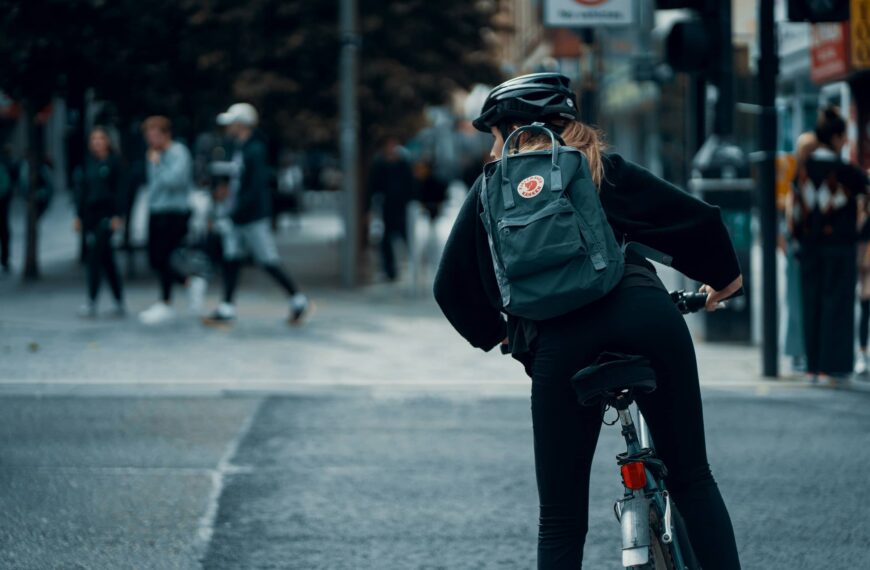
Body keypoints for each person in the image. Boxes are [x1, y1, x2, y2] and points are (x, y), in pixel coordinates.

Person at [434, 73, 742, 569]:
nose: (493, 150)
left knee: (560, 517)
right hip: (648, 318)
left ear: (511, 129)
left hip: (561, 344)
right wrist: (723, 282)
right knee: (691, 478)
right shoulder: (600, 168)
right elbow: (698, 220)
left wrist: (508, 336)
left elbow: (449, 288)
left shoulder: (492, 188)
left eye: (494, 136)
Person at [203, 103, 311, 326]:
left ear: (242, 123)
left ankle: (298, 299)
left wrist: (234, 211)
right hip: (236, 216)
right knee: (231, 259)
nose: (229, 127)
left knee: (267, 260)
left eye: (232, 123)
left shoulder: (255, 150)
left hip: (251, 217)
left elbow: (254, 187)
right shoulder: (237, 148)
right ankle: (227, 307)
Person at [791, 106, 870, 382]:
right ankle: (832, 365)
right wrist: (861, 229)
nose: (845, 142)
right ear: (835, 138)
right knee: (836, 304)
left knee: (811, 303)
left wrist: (802, 237)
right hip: (839, 247)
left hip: (810, 249)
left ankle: (813, 365)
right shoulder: (846, 172)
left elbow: (796, 214)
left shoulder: (802, 171)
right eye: (843, 137)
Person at [138, 116, 206, 325]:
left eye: (155, 135)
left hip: (175, 212)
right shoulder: (154, 154)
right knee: (154, 258)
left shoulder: (178, 153)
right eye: (148, 136)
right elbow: (153, 184)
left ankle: (169, 299)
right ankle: (186, 285)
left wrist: (158, 163)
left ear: (166, 134)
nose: (151, 140)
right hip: (157, 210)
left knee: (167, 257)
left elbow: (174, 181)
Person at [73, 127, 126, 317]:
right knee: (107, 259)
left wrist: (118, 215)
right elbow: (81, 192)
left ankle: (92, 300)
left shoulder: (114, 163)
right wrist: (78, 216)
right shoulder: (88, 164)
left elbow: (120, 190)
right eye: (94, 139)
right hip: (90, 216)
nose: (97, 142)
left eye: (100, 138)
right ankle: (118, 299)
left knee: (95, 256)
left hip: (107, 215)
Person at [782, 132, 817, 373]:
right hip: (801, 248)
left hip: (796, 247)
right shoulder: (802, 178)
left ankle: (798, 352)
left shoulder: (797, 177)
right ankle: (798, 352)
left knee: (796, 302)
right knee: (798, 302)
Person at [367, 136, 415, 281]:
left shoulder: (403, 164)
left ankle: (412, 267)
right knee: (386, 240)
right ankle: (390, 270)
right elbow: (373, 187)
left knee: (406, 237)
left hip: (402, 208)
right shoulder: (380, 165)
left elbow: (411, 185)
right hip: (387, 208)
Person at [0, 146, 13, 274]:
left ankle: (5, 259)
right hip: (3, 203)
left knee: (4, 232)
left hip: (3, 204)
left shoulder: (4, 166)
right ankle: (5, 259)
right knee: (4, 232)